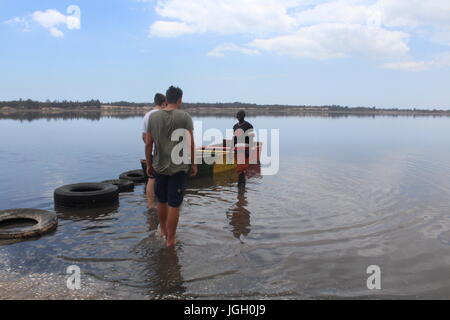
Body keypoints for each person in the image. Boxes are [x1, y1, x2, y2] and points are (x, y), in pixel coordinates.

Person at [145, 86, 198, 248]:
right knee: (174, 204)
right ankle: (170, 240)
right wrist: (193, 164)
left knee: (161, 201)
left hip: (159, 166)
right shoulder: (185, 117)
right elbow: (190, 143)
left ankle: (163, 231)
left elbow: (148, 144)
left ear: (166, 100)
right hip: (178, 168)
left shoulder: (153, 118)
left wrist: (149, 164)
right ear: (180, 100)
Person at [142, 93, 166, 209]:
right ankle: (165, 205)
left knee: (151, 179)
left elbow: (144, 137)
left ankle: (150, 205)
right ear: (163, 103)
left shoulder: (147, 115)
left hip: (151, 152)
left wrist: (149, 147)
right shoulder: (164, 114)